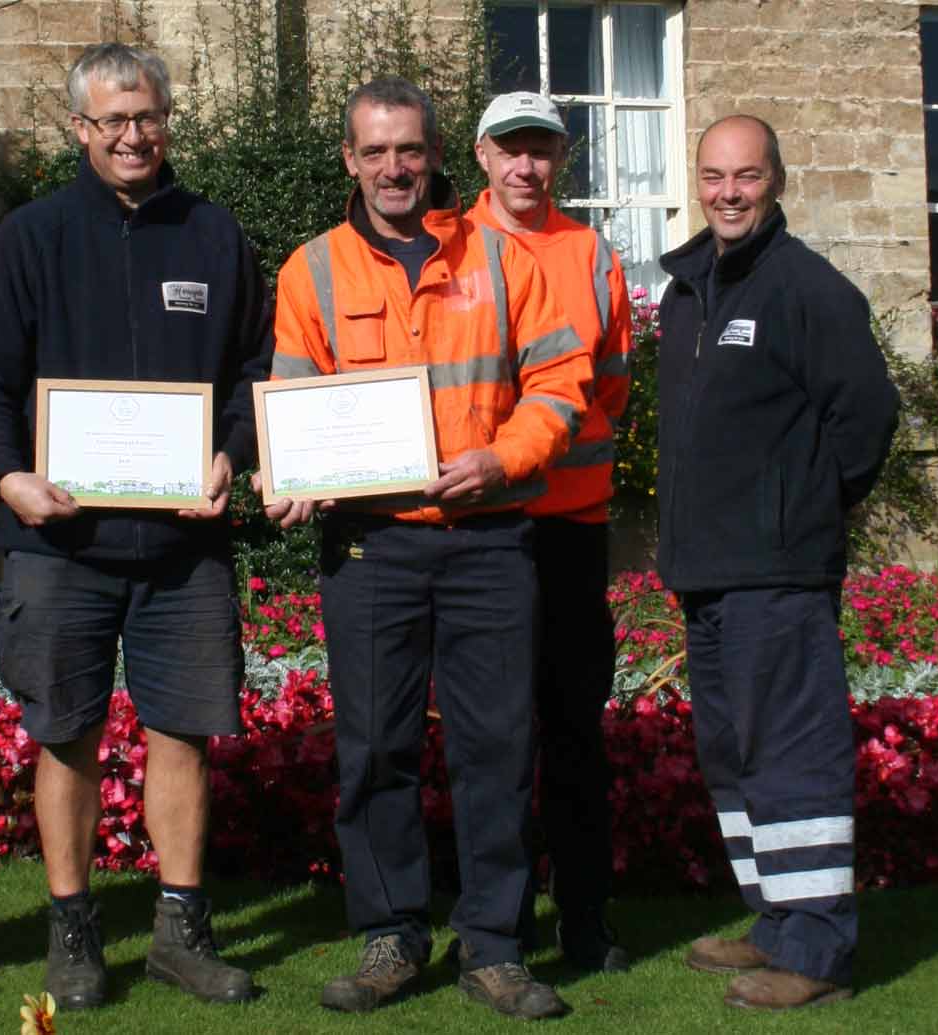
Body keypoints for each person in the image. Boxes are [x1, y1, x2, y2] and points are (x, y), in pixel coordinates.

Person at [0, 43, 271, 1010]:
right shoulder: (33, 237)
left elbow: (257, 369)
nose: (133, 136)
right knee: (67, 735)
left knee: (182, 734)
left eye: (147, 117)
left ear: (168, 120)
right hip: (62, 542)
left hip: (182, 548)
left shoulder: (215, 236)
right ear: (80, 130)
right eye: (111, 121)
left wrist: (231, 454)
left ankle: (180, 929)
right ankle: (74, 933)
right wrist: (7, 477)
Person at [267, 76, 593, 1021]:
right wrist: (289, 473)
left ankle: (494, 945)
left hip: (491, 537)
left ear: (436, 154)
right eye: (375, 151)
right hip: (371, 547)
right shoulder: (312, 270)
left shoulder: (504, 258)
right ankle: (391, 934)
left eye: (409, 149)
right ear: (349, 160)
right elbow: (292, 396)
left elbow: (560, 385)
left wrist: (503, 457)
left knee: (497, 747)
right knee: (376, 748)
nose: (394, 167)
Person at [656, 114, 899, 1010]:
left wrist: (798, 509)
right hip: (709, 574)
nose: (728, 192)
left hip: (779, 574)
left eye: (747, 176)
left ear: (777, 182)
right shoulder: (689, 290)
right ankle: (775, 921)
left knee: (792, 754)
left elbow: (865, 423)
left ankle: (820, 951)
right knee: (736, 753)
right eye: (715, 175)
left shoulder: (809, 290)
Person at [466, 91, 633, 973]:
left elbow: (610, 385)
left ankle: (585, 914)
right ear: (483, 156)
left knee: (574, 730)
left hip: (569, 526)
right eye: (512, 150)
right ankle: (496, 919)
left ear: (559, 161)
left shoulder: (590, 251)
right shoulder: (452, 245)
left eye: (543, 151)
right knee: (490, 736)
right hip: (481, 534)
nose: (527, 166)